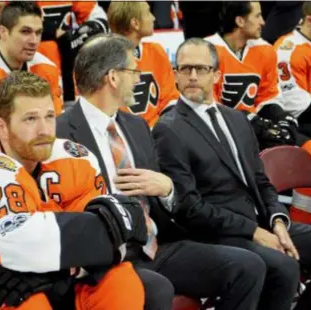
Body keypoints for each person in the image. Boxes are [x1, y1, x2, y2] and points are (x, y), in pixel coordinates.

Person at [57, 33, 269, 310]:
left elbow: (165, 198)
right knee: (158, 289)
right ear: (113, 77)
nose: (139, 80)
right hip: (108, 256)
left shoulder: (136, 125)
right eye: (134, 71)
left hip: (157, 245)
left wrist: (167, 189)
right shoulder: (60, 133)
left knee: (248, 266)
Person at [0, 71, 150, 310]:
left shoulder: (77, 157)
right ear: (1, 127)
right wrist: (106, 229)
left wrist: (63, 265)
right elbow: (23, 245)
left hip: (53, 273)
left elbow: (116, 240)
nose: (44, 130)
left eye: (50, 116)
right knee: (29, 303)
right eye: (30, 119)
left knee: (122, 280)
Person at [152, 37, 311, 310]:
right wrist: (253, 231)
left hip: (260, 222)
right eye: (185, 69)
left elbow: (261, 181)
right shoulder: (168, 129)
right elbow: (189, 207)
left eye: (201, 69)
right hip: (217, 233)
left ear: (216, 75)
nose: (192, 76)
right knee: (284, 266)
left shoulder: (237, 119)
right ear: (175, 75)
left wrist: (277, 220)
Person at [205, 1, 311, 154]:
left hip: (255, 125)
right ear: (240, 21)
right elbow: (208, 104)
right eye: (257, 16)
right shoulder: (207, 51)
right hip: (218, 129)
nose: (263, 22)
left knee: (306, 144)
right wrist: (251, 121)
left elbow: (268, 96)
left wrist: (280, 116)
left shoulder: (264, 50)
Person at [0, 1, 63, 154]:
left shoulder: (47, 68)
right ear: (3, 32)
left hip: (32, 154)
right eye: (25, 32)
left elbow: (54, 128)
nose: (34, 41)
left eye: (38, 32)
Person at [274, 1, 311, 225]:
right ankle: (301, 225)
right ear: (309, 20)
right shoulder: (289, 49)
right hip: (297, 123)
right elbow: (298, 106)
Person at [107, 1, 179, 128]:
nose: (154, 18)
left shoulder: (157, 52)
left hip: (158, 134)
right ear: (135, 23)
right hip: (121, 137)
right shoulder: (103, 58)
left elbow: (170, 98)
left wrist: (164, 130)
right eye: (148, 13)